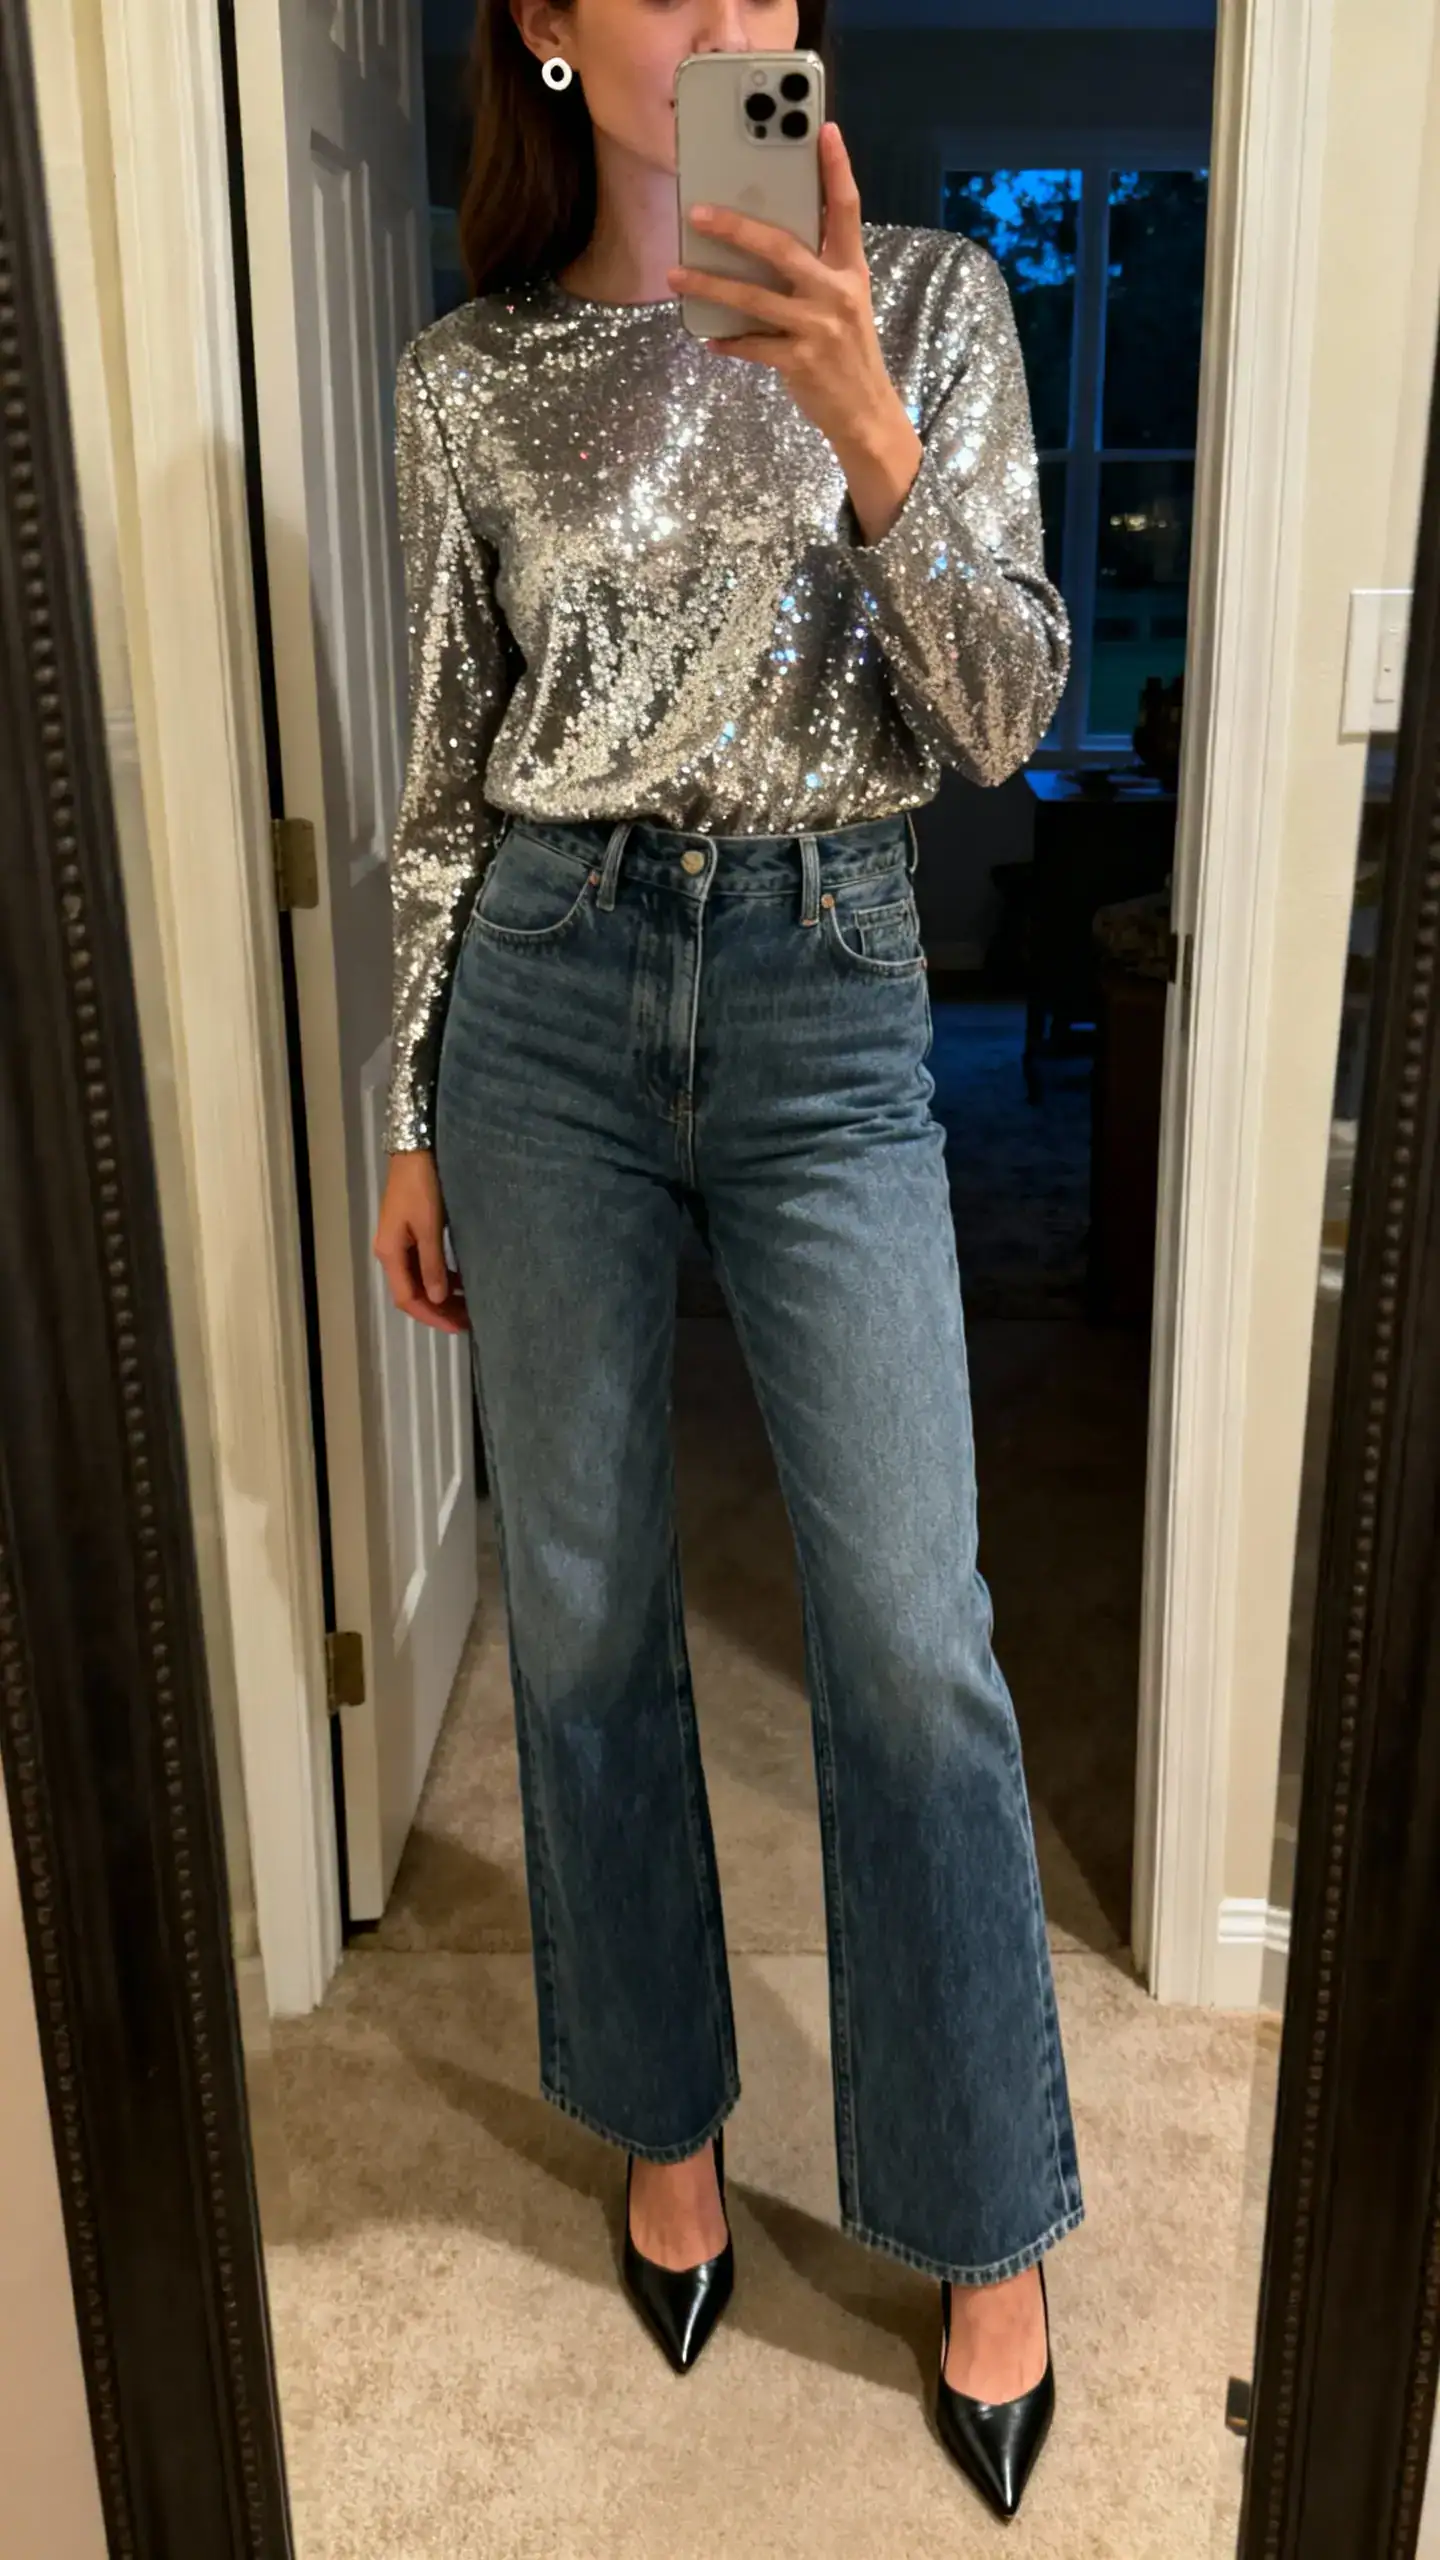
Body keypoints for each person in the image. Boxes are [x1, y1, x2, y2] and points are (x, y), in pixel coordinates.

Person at [373, 0, 1084, 2520]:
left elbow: (1002, 717)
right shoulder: (470, 381)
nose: (733, 23)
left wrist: (874, 421)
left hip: (826, 976)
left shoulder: (938, 301)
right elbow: (447, 788)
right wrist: (411, 1111)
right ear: (552, 37)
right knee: (574, 1604)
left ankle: (984, 2205)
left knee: (911, 1628)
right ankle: (662, 2111)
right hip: (548, 994)